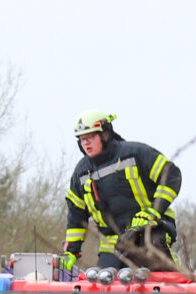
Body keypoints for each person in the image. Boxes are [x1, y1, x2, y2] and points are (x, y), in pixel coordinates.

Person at [61, 111, 181, 271]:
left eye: (91, 137)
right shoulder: (81, 173)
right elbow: (76, 214)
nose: (86, 143)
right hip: (111, 243)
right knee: (103, 280)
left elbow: (171, 174)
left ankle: (175, 273)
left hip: (149, 230)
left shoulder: (136, 153)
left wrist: (154, 211)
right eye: (82, 139)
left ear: (105, 133)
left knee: (159, 274)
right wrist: (71, 251)